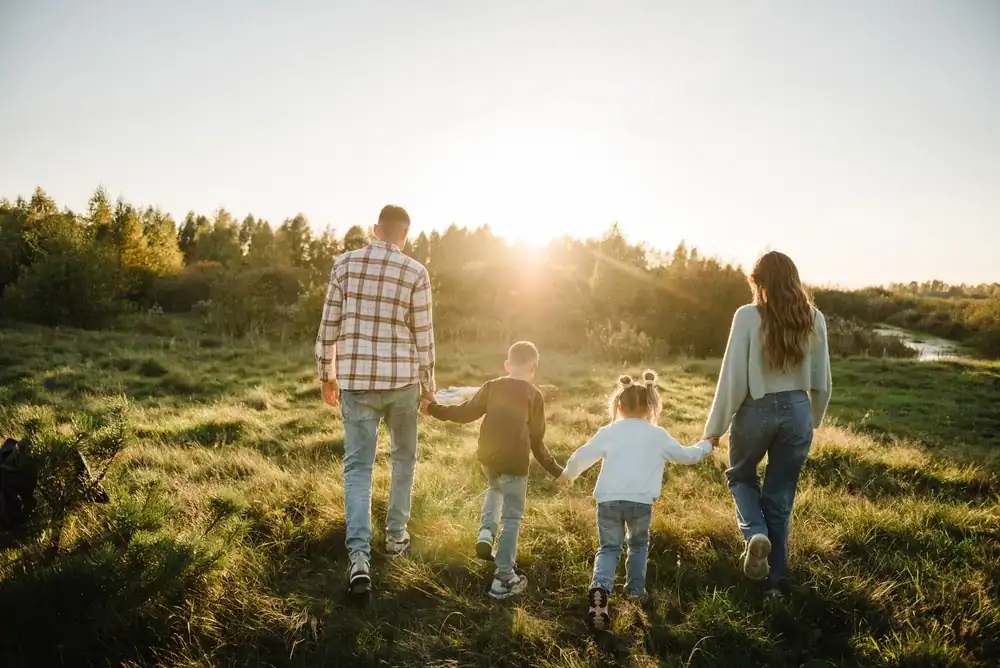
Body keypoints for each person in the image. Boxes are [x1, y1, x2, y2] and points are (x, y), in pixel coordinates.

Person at [315, 204, 436, 596]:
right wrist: (429, 386)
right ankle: (396, 538)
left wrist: (325, 374)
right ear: (405, 235)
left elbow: (328, 325)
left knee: (358, 469)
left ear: (375, 229)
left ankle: (359, 559)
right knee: (403, 459)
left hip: (356, 382)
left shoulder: (345, 264)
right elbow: (424, 336)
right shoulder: (416, 271)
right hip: (402, 382)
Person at [703, 250, 832, 599]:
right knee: (779, 497)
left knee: (741, 476)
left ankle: (755, 534)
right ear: (793, 280)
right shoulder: (814, 317)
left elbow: (732, 378)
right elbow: (823, 379)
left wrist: (714, 427)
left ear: (759, 283)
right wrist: (813, 417)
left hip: (756, 409)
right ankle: (774, 585)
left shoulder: (747, 316)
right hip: (798, 411)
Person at [559, 371, 713, 630]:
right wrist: (706, 445)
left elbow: (583, 454)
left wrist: (568, 474)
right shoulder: (658, 434)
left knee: (608, 548)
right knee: (638, 546)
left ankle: (600, 589)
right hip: (640, 502)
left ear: (618, 404)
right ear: (651, 406)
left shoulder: (610, 431)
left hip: (608, 500)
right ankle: (635, 593)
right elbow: (687, 456)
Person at [421, 341, 564, 599]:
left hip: (488, 459)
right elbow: (537, 441)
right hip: (514, 464)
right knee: (511, 518)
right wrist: (557, 471)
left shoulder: (492, 386)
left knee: (494, 487)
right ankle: (504, 578)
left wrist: (432, 408)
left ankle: (487, 530)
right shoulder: (534, 395)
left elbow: (464, 414)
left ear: (507, 365)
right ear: (533, 368)